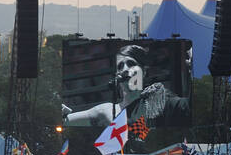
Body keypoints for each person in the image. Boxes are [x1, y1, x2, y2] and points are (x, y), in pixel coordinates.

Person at [62, 44, 190, 128]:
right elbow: (65, 122)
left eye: (131, 63)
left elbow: (186, 107)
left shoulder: (161, 101)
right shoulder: (105, 111)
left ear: (144, 71)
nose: (125, 69)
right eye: (120, 66)